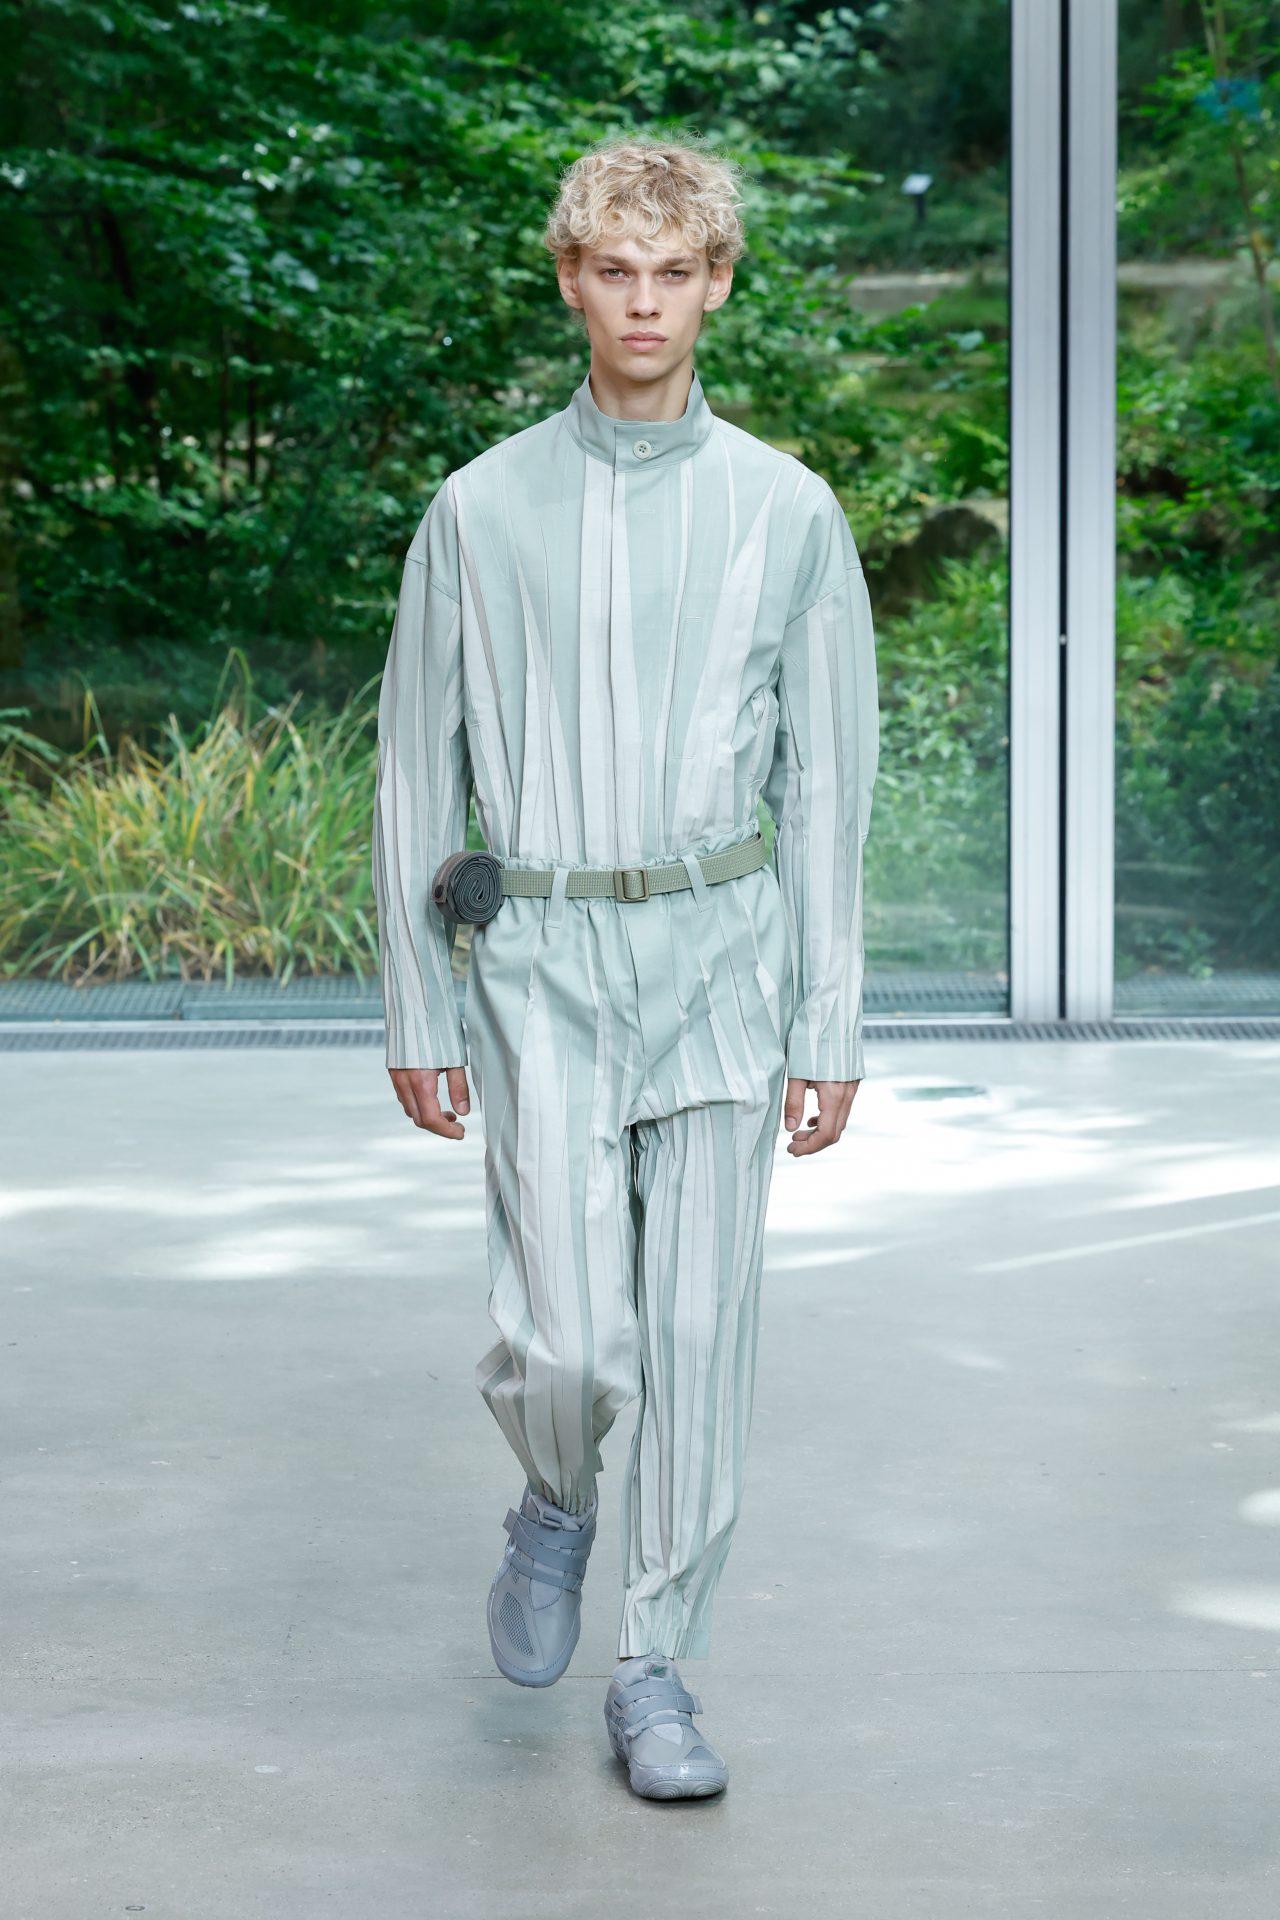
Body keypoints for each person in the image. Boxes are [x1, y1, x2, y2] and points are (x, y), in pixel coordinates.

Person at [371, 131, 879, 1801]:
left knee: (702, 1333)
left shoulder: (788, 511)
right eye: (615, 273)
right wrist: (416, 999)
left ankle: (656, 1669)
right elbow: (412, 769)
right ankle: (556, 1499)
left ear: (716, 284)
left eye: (675, 273)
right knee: (576, 1345)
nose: (645, 303)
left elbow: (831, 786)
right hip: (540, 966)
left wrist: (828, 1020)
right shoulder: (479, 508)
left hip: (725, 961)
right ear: (571, 283)